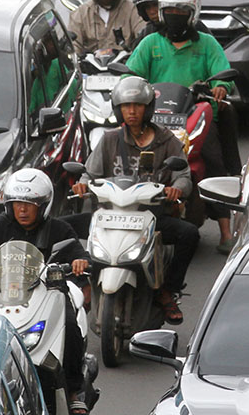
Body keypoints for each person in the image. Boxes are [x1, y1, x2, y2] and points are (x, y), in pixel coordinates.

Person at [73, 76, 199, 324]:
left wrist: (177, 189)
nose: (132, 111)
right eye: (126, 106)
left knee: (190, 234)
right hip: (110, 216)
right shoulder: (109, 139)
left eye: (138, 105)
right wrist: (82, 184)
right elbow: (90, 173)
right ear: (118, 109)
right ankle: (83, 284)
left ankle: (167, 290)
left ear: (148, 108)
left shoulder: (166, 140)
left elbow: (183, 174)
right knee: (64, 228)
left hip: (151, 216)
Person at [125, 0, 240, 253]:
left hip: (193, 113)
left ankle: (225, 230)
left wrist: (221, 88)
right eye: (169, 11)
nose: (174, 15)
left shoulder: (207, 43)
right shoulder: (150, 43)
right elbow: (129, 75)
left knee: (212, 156)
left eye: (181, 11)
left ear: (193, 13)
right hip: (155, 113)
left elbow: (223, 74)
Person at [0, 169, 91, 414]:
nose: (22, 209)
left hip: (48, 295)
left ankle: (74, 390)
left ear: (43, 206)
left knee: (71, 328)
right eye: (17, 204)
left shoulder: (60, 230)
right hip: (5, 296)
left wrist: (79, 262)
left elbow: (79, 254)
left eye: (29, 204)